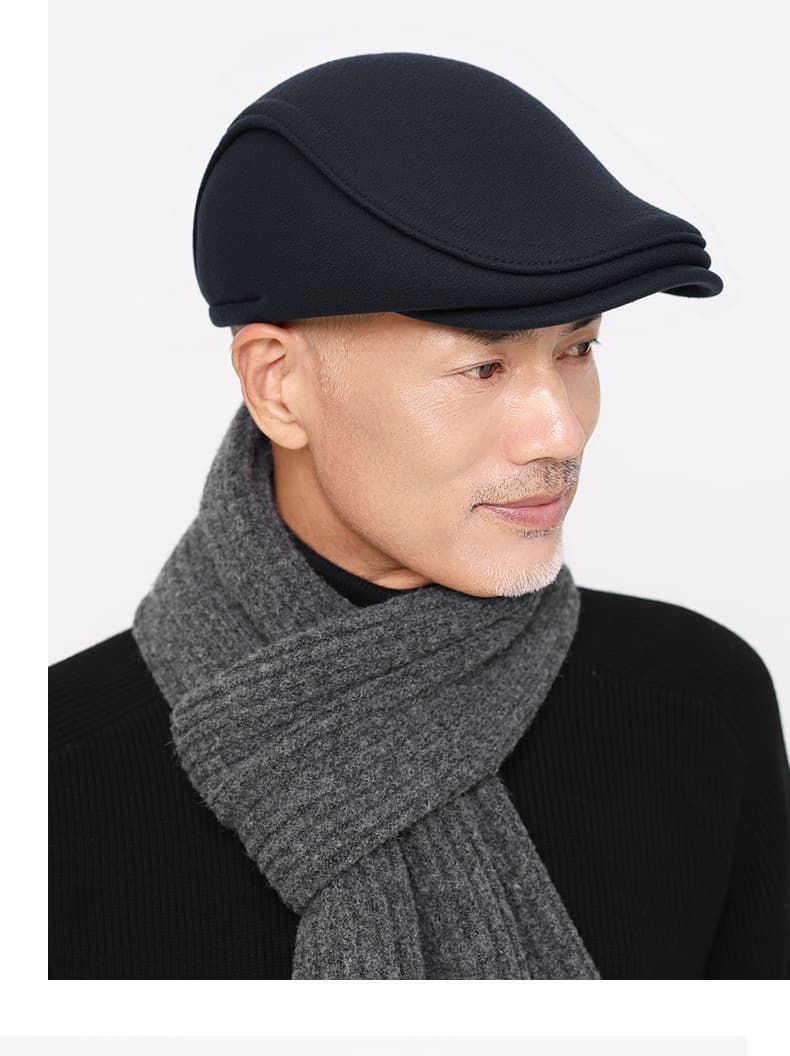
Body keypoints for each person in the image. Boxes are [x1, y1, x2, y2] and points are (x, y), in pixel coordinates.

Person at [49, 52, 790, 980]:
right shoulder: (50, 775)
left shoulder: (698, 709)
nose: (560, 431)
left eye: (578, 350)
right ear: (278, 386)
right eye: (483, 367)